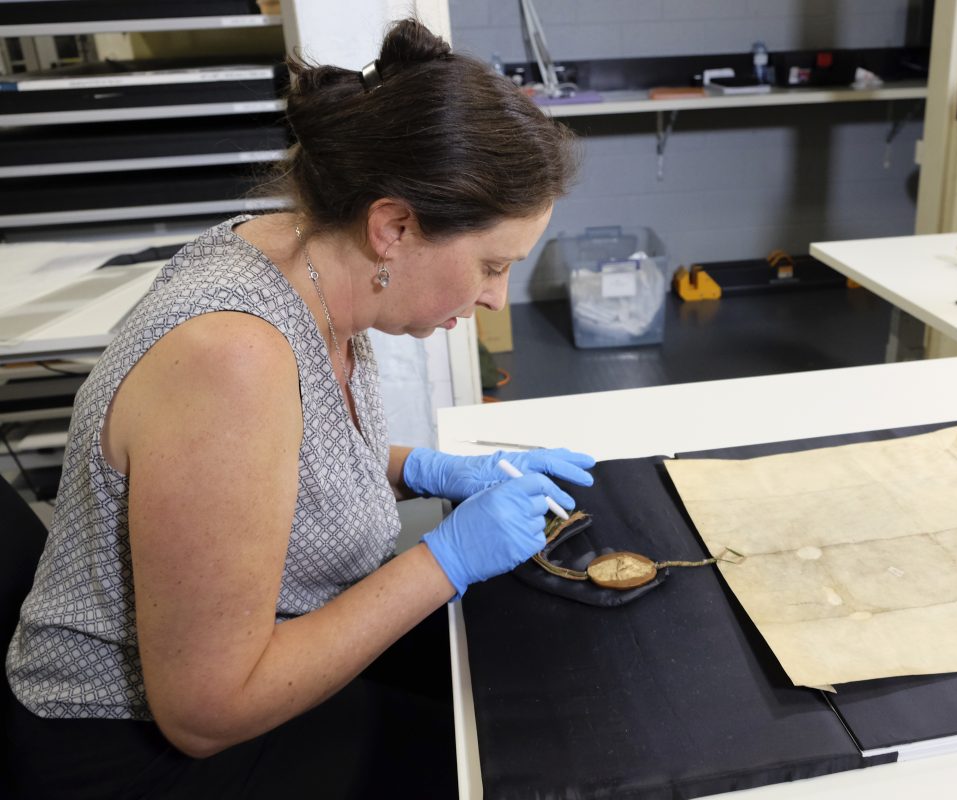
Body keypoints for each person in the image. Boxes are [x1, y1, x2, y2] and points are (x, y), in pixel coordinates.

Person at [3, 18, 592, 799]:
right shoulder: (233, 357)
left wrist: (422, 468)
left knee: (525, 686)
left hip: (239, 677)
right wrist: (445, 560)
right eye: (491, 265)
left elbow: (267, 465)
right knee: (536, 768)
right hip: (136, 751)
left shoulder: (307, 257)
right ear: (395, 226)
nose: (493, 298)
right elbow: (204, 713)